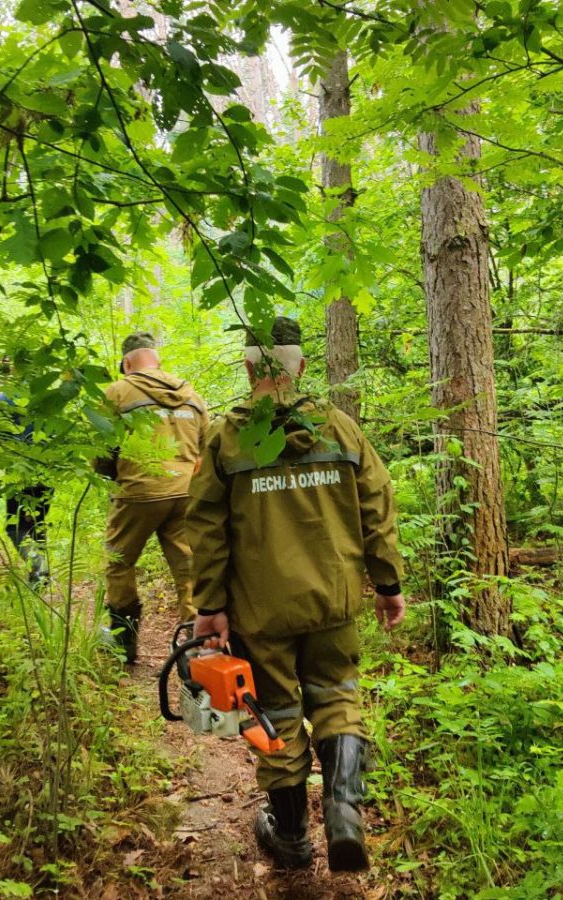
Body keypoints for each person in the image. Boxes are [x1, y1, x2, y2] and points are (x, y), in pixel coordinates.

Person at [186, 317, 405, 873]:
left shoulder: (226, 439)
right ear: (300, 366)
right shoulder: (339, 429)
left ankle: (291, 838)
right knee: (337, 698)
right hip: (333, 601)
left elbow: (206, 528)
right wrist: (388, 584)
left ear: (248, 366)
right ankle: (344, 812)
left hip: (261, 611)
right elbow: (377, 508)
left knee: (276, 715)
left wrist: (209, 607)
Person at [95, 331, 209, 663]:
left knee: (118, 563)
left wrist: (111, 477)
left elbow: (103, 450)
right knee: (189, 567)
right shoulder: (191, 394)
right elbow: (208, 446)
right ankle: (196, 643)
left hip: (139, 492)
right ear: (156, 359)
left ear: (127, 363)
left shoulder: (117, 391)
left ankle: (123, 642)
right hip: (186, 490)